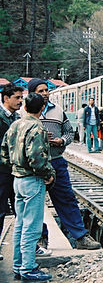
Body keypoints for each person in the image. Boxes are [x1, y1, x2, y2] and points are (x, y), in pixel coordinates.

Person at [28, 78, 100, 251]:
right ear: (32, 93)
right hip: (34, 165)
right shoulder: (25, 113)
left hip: (56, 161)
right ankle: (39, 238)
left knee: (67, 199)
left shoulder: (58, 110)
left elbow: (69, 131)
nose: (45, 93)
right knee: (35, 204)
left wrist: (62, 141)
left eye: (46, 90)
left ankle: (81, 236)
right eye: (41, 91)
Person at [1, 92, 55, 281]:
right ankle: (29, 267)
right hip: (32, 181)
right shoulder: (37, 128)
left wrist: (14, 167)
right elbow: (37, 159)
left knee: (20, 225)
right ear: (42, 108)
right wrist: (48, 175)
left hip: (17, 180)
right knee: (32, 227)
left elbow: (3, 152)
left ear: (24, 106)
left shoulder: (15, 124)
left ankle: (18, 265)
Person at [0, 83, 24, 261]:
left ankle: (26, 246)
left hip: (13, 170)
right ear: (6, 98)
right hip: (2, 171)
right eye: (17, 97)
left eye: (21, 97)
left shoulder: (16, 117)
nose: (20, 101)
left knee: (20, 209)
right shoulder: (1, 117)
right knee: (0, 210)